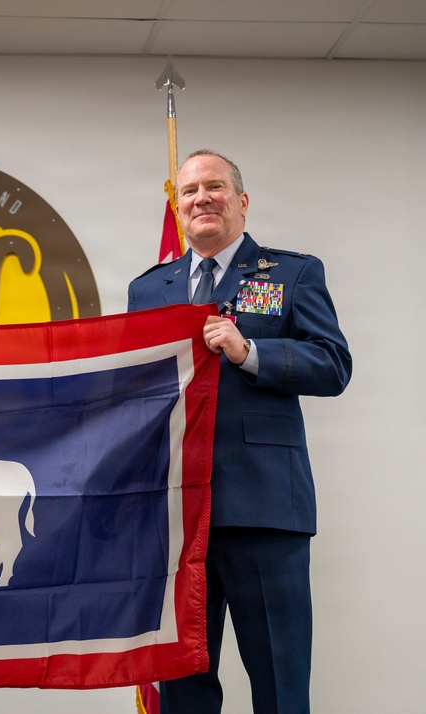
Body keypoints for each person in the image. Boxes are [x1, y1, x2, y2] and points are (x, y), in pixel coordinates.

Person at [128, 149, 351, 713]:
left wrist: (250, 351)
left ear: (241, 201)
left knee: (278, 680)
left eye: (215, 187)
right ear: (177, 209)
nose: (201, 198)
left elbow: (333, 365)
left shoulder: (292, 273)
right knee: (184, 688)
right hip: (179, 520)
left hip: (264, 510)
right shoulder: (149, 290)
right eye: (189, 192)